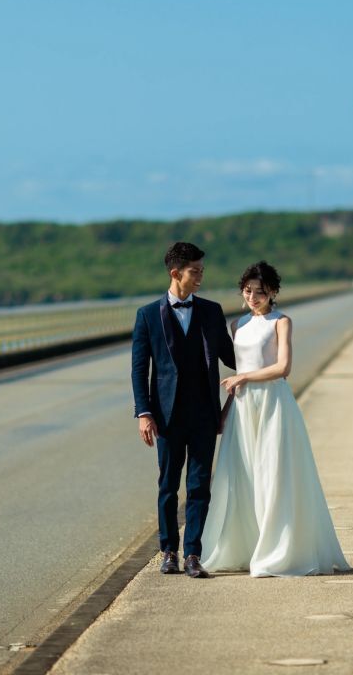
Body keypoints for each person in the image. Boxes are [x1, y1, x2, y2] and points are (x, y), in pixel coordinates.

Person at [201, 260, 350, 577]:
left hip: (273, 404)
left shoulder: (281, 322)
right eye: (248, 290)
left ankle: (277, 552)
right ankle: (249, 547)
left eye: (260, 291)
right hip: (243, 406)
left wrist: (245, 379)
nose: (253, 296)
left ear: (273, 293)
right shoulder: (237, 325)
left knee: (274, 474)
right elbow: (238, 372)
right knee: (241, 478)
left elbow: (283, 368)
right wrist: (225, 412)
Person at [131, 241, 235, 579]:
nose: (201, 277)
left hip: (205, 412)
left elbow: (232, 359)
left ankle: (193, 554)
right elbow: (139, 369)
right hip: (166, 417)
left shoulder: (212, 311)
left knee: (200, 485)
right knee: (167, 486)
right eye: (196, 271)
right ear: (176, 273)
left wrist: (264, 336)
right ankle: (168, 551)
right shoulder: (147, 315)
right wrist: (144, 413)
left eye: (202, 271)